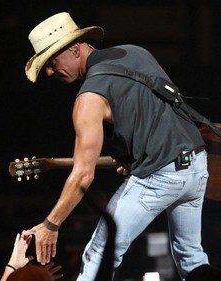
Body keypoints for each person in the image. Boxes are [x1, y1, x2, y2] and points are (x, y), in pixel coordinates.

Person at [22, 12, 210, 281]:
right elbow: (155, 112)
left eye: (51, 62)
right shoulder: (135, 52)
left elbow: (83, 176)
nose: (50, 72)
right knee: (191, 256)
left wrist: (51, 224)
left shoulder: (88, 99)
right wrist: (129, 154)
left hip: (161, 175)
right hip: (197, 164)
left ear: (75, 48)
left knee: (99, 253)